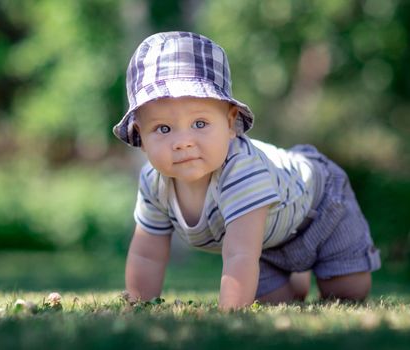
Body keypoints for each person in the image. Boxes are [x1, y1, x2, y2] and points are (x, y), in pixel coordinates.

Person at [112, 31, 381, 310]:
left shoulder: (241, 170)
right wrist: (139, 304)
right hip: (264, 243)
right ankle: (295, 278)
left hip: (320, 205)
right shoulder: (154, 183)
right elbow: (148, 254)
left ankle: (309, 267)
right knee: (274, 302)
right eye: (163, 128)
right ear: (140, 136)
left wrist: (229, 313)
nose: (183, 142)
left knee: (348, 292)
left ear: (230, 123)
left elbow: (240, 253)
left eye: (200, 123)